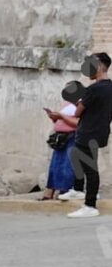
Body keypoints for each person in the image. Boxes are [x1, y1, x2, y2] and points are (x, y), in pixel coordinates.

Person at [65, 54, 112, 218]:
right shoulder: (109, 87)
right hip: (100, 132)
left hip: (87, 132)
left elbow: (78, 112)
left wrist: (77, 101)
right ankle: (80, 190)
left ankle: (90, 204)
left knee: (90, 169)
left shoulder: (93, 89)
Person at [44, 83, 82, 201]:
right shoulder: (66, 104)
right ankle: (51, 191)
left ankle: (65, 191)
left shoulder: (80, 104)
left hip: (72, 137)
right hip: (61, 137)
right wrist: (55, 118)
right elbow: (62, 121)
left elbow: (78, 123)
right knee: (56, 165)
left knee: (67, 165)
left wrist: (61, 116)